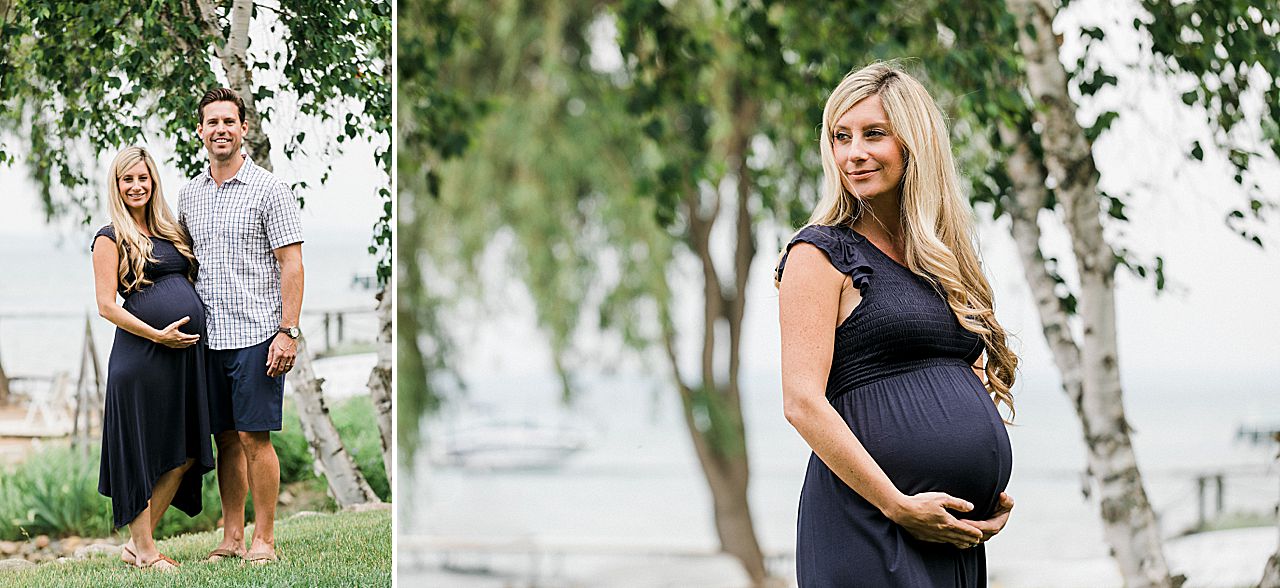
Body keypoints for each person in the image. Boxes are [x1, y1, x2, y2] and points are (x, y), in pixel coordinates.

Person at [775, 62, 1018, 587]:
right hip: (868, 525)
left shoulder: (941, 258)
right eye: (841, 137)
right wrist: (898, 505)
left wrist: (981, 498)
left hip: (946, 533)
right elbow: (801, 402)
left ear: (914, 144)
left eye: (873, 134)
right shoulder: (820, 254)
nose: (853, 152)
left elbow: (965, 376)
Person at [178, 87, 304, 565]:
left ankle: (264, 540)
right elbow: (185, 264)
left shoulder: (270, 189)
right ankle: (231, 538)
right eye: (212, 123)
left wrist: (287, 331)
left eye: (229, 122)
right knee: (225, 439)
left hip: (257, 335)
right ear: (200, 131)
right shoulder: (189, 194)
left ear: (243, 128)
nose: (220, 130)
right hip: (207, 339)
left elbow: (291, 265)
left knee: (255, 438)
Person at [93, 146, 216, 571]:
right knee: (141, 455)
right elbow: (107, 306)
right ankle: (146, 553)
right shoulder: (109, 237)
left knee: (183, 455)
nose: (136, 186)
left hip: (180, 359)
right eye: (128, 179)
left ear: (153, 181)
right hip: (141, 358)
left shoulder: (171, 231)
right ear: (117, 185)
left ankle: (137, 546)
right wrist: (157, 335)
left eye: (142, 178)